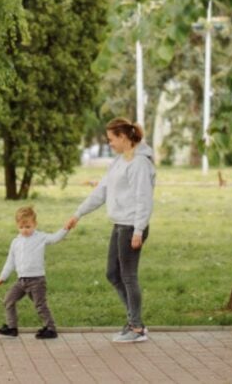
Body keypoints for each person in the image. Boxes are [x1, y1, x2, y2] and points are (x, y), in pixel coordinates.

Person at [66, 117, 155, 343]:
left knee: (128, 276)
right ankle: (135, 321)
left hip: (132, 226)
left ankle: (136, 328)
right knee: (112, 274)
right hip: (119, 224)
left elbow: (143, 199)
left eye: (112, 139)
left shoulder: (140, 163)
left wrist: (138, 231)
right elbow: (101, 191)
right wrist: (78, 214)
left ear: (124, 137)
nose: (110, 143)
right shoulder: (118, 162)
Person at [0, 205, 69, 339]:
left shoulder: (40, 237)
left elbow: (55, 238)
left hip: (37, 280)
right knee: (8, 300)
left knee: (40, 305)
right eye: (21, 227)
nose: (25, 230)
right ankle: (12, 328)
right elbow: (10, 261)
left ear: (34, 224)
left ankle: (51, 329)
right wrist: (2, 277)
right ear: (17, 226)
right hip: (21, 281)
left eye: (28, 227)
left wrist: (66, 228)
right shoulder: (16, 242)